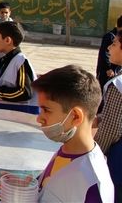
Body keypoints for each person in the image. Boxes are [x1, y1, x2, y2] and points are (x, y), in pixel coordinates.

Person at [30, 65, 114, 202]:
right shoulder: (67, 150)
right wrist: (31, 187)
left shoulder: (92, 183)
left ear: (75, 116)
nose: (39, 118)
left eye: (46, 110)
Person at [0, 21, 38, 114]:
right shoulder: (6, 59)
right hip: (9, 114)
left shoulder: (20, 61)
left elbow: (25, 92)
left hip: (21, 115)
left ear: (7, 40)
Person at [95, 31, 122, 202]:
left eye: (114, 44)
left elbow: (110, 130)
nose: (109, 48)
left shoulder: (118, 86)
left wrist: (92, 153)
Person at [96, 15, 122, 91]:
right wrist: (108, 68)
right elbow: (104, 54)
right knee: (103, 87)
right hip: (107, 70)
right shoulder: (110, 36)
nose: (110, 47)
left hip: (116, 69)